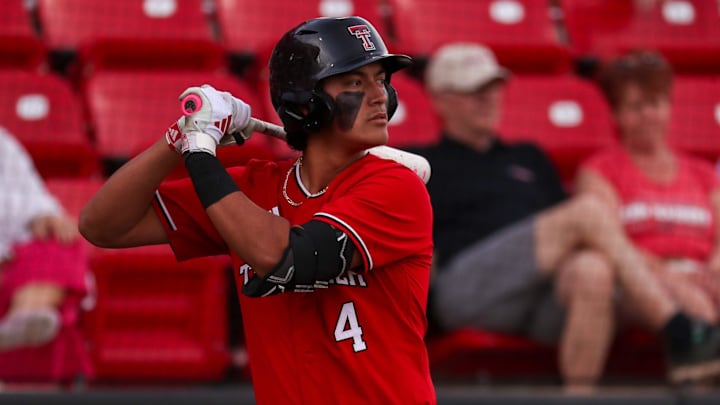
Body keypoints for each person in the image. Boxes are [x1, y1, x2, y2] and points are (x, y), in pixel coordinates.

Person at [79, 16, 436, 404]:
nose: (380, 95)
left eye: (381, 79)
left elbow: (288, 257)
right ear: (307, 102)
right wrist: (179, 135)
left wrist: (200, 154)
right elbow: (103, 226)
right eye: (355, 82)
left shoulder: (396, 188)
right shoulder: (252, 188)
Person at [407, 42, 720, 391]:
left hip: (536, 294)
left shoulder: (530, 157)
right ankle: (679, 329)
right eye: (472, 91)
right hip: (468, 291)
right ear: (438, 99)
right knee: (585, 213)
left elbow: (575, 235)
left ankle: (578, 396)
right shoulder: (422, 165)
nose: (488, 99)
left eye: (492, 88)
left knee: (593, 270)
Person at [576, 49, 720, 378]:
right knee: (695, 306)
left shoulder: (701, 173)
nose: (648, 116)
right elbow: (607, 240)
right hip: (637, 281)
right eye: (636, 107)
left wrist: (714, 266)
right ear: (616, 115)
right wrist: (668, 276)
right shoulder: (600, 171)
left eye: (656, 104)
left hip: (701, 272)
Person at [0, 126, 91, 380]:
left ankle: (24, 318)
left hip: (13, 256)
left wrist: (45, 216)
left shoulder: (3, 144)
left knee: (63, 243)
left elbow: (31, 195)